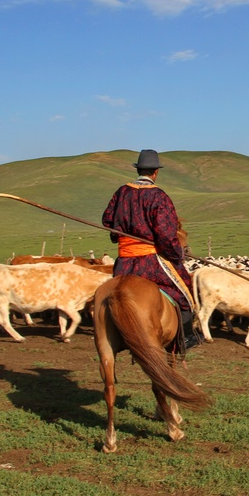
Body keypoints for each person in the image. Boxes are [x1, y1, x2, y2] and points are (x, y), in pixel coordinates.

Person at [102, 149, 203, 348]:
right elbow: (166, 233)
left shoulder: (121, 192)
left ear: (138, 169)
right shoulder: (158, 196)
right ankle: (186, 338)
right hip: (150, 262)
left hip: (123, 263)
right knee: (184, 292)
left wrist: (120, 234)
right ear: (156, 172)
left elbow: (107, 220)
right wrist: (176, 254)